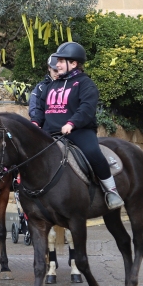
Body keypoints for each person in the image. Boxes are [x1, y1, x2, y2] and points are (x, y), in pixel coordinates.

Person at [30, 42, 124, 209]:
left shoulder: (85, 83)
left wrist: (71, 123)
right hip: (49, 132)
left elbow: (87, 108)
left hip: (78, 131)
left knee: (93, 152)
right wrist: (35, 122)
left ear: (73, 63)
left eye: (61, 61)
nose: (57, 65)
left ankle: (111, 190)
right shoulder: (51, 85)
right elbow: (40, 108)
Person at [29, 54, 59, 122]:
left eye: (59, 70)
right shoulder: (40, 87)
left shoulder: (69, 85)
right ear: (49, 68)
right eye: (55, 70)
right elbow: (33, 109)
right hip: (44, 124)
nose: (57, 74)